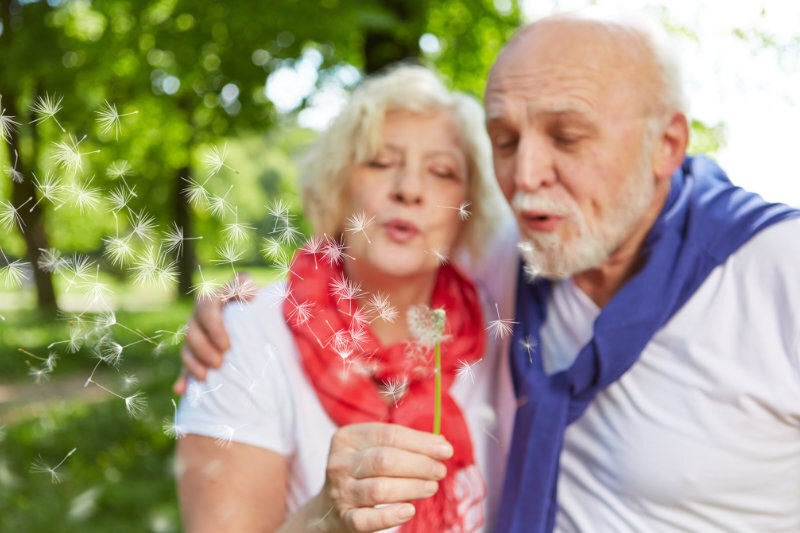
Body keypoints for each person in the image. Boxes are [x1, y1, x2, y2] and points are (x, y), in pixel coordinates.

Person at [179, 10, 800, 533]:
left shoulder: (776, 268)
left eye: (567, 135)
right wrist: (234, 308)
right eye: (504, 140)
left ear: (667, 146)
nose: (526, 177)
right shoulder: (529, 249)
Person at [174, 64, 516, 533]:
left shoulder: (502, 320)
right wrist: (325, 520)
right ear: (338, 183)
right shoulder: (246, 336)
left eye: (442, 172)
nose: (410, 189)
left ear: (468, 208)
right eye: (379, 161)